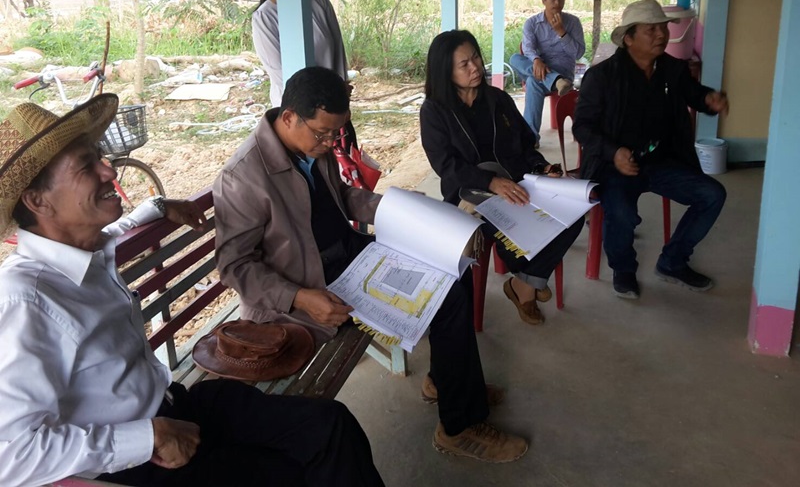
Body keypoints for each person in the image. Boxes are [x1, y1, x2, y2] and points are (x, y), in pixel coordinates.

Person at [0, 95, 384, 487]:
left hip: (177, 404)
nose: (108, 169)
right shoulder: (23, 300)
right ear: (37, 200)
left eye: (99, 156)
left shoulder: (85, 247)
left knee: (330, 425)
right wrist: (145, 438)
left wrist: (158, 205)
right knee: (296, 470)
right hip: (143, 458)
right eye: (86, 166)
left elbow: (119, 229)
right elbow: (9, 455)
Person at [214, 66, 528, 464]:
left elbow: (342, 196)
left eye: (336, 133)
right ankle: (459, 427)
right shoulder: (243, 177)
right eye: (323, 133)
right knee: (448, 300)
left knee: (453, 270)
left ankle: (446, 381)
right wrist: (300, 297)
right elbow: (235, 266)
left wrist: (400, 208)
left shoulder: (312, 147)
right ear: (289, 117)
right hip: (309, 288)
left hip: (350, 260)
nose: (331, 143)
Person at [420, 30, 584, 326]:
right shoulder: (434, 111)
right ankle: (529, 283)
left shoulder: (497, 99)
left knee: (573, 214)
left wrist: (541, 166)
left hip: (516, 183)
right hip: (471, 194)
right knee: (512, 226)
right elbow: (446, 165)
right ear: (446, 71)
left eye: (475, 58)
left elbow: (525, 145)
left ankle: (524, 281)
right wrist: (490, 182)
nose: (475, 67)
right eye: (464, 64)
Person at [572, 0, 729, 299]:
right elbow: (583, 128)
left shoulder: (672, 69)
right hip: (614, 164)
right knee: (621, 211)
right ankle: (623, 269)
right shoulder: (602, 76)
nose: (661, 35)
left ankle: (672, 262)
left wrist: (709, 100)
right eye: (651, 29)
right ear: (629, 38)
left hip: (662, 161)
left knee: (712, 194)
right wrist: (613, 152)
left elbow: (694, 94)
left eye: (663, 28)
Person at [509, 0, 586, 145]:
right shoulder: (532, 23)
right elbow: (528, 48)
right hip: (538, 67)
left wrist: (562, 32)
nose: (557, 3)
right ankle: (556, 80)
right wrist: (536, 60)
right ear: (544, 0)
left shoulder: (573, 22)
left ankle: (531, 138)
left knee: (533, 82)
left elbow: (579, 53)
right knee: (514, 58)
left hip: (563, 70)